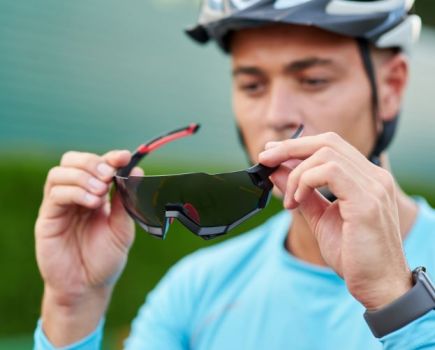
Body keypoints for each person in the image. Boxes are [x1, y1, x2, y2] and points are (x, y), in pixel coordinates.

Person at [33, 0, 435, 349]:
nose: (277, 115)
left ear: (391, 88)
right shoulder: (197, 289)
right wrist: (72, 307)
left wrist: (397, 302)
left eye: (313, 80)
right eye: (253, 85)